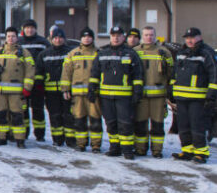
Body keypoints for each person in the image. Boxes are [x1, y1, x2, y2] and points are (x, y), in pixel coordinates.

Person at [88, 25, 143, 159]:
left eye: (119, 35)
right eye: (113, 35)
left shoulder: (131, 54)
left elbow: (137, 75)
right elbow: (95, 73)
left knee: (125, 123)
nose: (116, 38)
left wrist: (137, 92)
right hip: (106, 96)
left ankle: (127, 149)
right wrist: (92, 89)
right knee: (110, 123)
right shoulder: (102, 53)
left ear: (123, 37)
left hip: (124, 97)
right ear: (110, 37)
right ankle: (115, 147)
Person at [170, 27, 217, 163]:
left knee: (197, 125)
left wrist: (211, 96)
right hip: (181, 97)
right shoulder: (181, 53)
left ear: (199, 37)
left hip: (198, 98)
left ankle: (201, 153)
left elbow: (215, 76)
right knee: (183, 126)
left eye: (193, 38)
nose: (190, 40)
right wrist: (172, 89)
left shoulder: (207, 53)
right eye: (187, 38)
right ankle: (187, 150)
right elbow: (175, 73)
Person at [0, 27, 35, 148]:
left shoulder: (24, 53)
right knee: (1, 115)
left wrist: (27, 87)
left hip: (16, 92)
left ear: (17, 38)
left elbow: (30, 71)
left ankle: (19, 140)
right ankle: (2, 138)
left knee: (17, 115)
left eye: (13, 36)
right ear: (5, 38)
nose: (10, 39)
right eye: (8, 36)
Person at [133, 26, 174, 158]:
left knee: (157, 124)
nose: (148, 37)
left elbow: (171, 73)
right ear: (142, 37)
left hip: (158, 96)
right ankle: (140, 149)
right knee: (141, 124)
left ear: (155, 36)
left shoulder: (164, 52)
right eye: (146, 35)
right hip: (141, 96)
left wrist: (169, 92)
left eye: (151, 35)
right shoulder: (135, 51)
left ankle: (157, 151)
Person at [61, 28, 104, 153]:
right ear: (81, 38)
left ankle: (96, 145)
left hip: (94, 94)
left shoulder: (99, 53)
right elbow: (66, 73)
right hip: (77, 94)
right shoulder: (73, 54)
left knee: (95, 119)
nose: (87, 39)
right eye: (84, 36)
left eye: (89, 36)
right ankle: (81, 143)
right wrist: (65, 89)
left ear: (93, 38)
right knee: (79, 119)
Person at [38, 27, 73, 147]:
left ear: (64, 39)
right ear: (51, 39)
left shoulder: (70, 52)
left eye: (60, 38)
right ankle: (57, 139)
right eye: (55, 38)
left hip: (67, 91)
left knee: (68, 116)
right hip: (51, 92)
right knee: (55, 116)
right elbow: (39, 72)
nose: (58, 40)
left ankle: (70, 140)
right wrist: (40, 89)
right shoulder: (44, 54)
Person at [19, 19, 51, 141]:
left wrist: (42, 80)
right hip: (23, 82)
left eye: (32, 27)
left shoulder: (43, 42)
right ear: (23, 29)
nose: (29, 30)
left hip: (38, 82)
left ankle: (40, 134)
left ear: (35, 29)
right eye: (27, 28)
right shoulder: (19, 42)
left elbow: (48, 60)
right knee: (23, 109)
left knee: (38, 109)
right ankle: (25, 132)